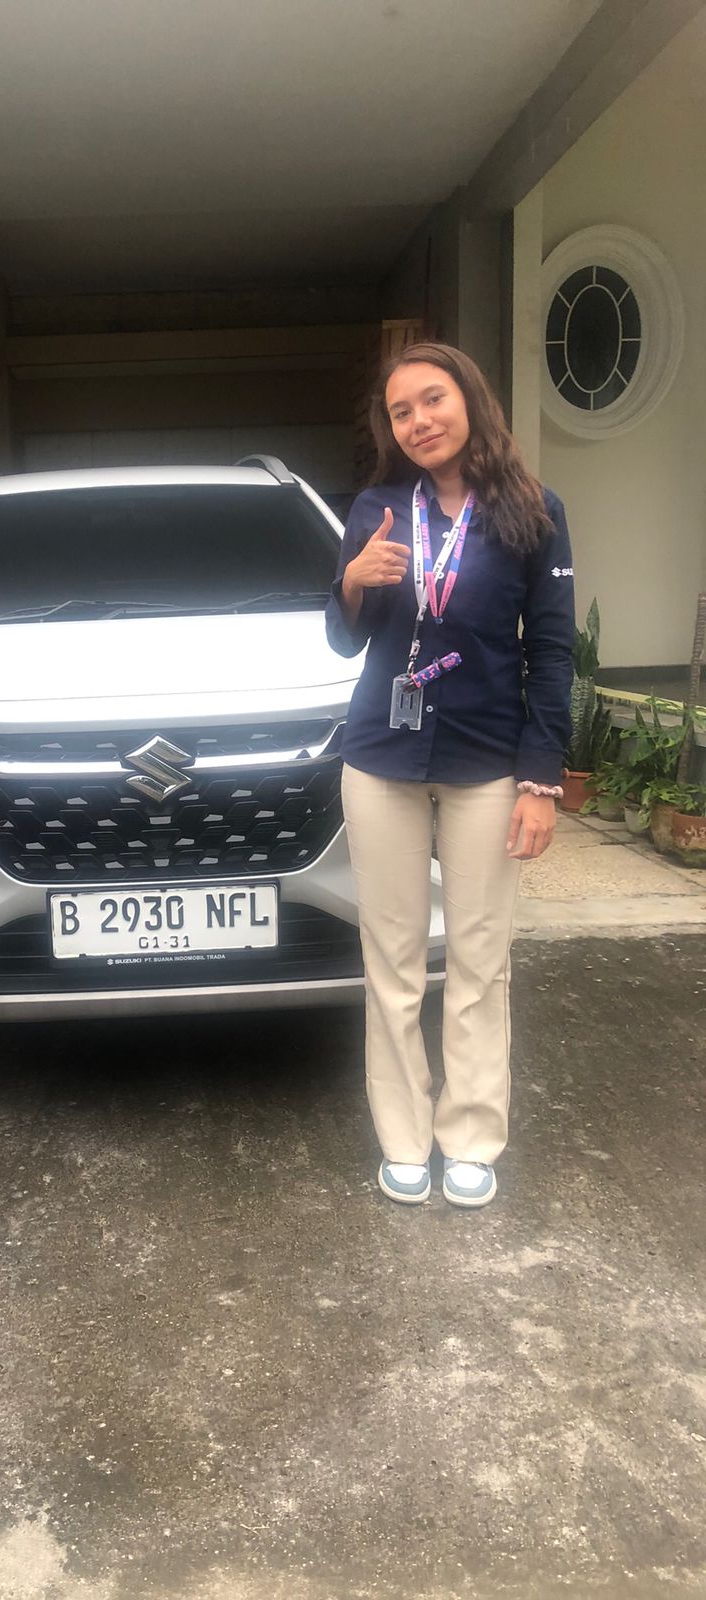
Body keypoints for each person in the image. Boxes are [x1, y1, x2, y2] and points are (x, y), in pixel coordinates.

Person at [326, 341, 574, 1209]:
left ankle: (469, 1135)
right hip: (382, 759)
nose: (419, 421)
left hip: (487, 761)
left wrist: (540, 781)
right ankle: (404, 1136)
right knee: (391, 959)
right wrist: (353, 583)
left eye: (433, 399)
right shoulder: (377, 509)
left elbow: (552, 650)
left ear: (469, 399)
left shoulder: (533, 510)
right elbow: (345, 639)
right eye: (401, 411)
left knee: (479, 956)